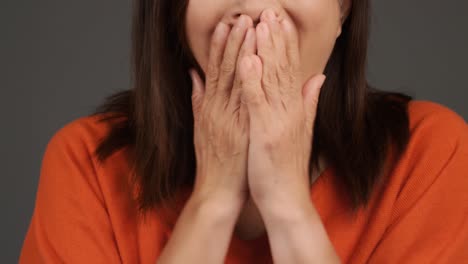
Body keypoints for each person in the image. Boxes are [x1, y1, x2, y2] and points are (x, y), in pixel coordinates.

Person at [20, 0, 468, 263]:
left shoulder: (431, 152)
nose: (254, 5)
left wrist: (288, 205)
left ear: (343, 10)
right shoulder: (86, 162)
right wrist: (213, 201)